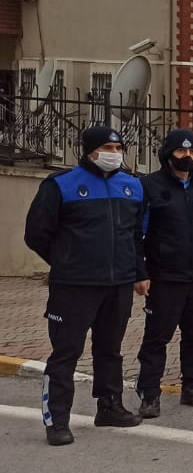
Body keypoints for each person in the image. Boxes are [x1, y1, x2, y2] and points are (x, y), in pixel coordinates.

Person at [24, 126, 147, 445]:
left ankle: (110, 407)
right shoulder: (60, 185)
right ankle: (57, 420)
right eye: (108, 147)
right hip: (74, 286)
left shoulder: (132, 186)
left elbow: (135, 236)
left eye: (119, 148)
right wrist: (66, 261)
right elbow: (36, 234)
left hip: (118, 284)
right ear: (90, 150)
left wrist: (137, 272)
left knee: (110, 350)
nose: (115, 153)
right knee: (65, 353)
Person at [134, 129, 193, 414]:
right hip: (164, 276)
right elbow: (137, 234)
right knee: (157, 337)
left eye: (192, 152)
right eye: (181, 152)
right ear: (168, 155)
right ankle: (150, 394)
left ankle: (192, 387)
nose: (187, 157)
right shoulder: (149, 186)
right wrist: (140, 272)